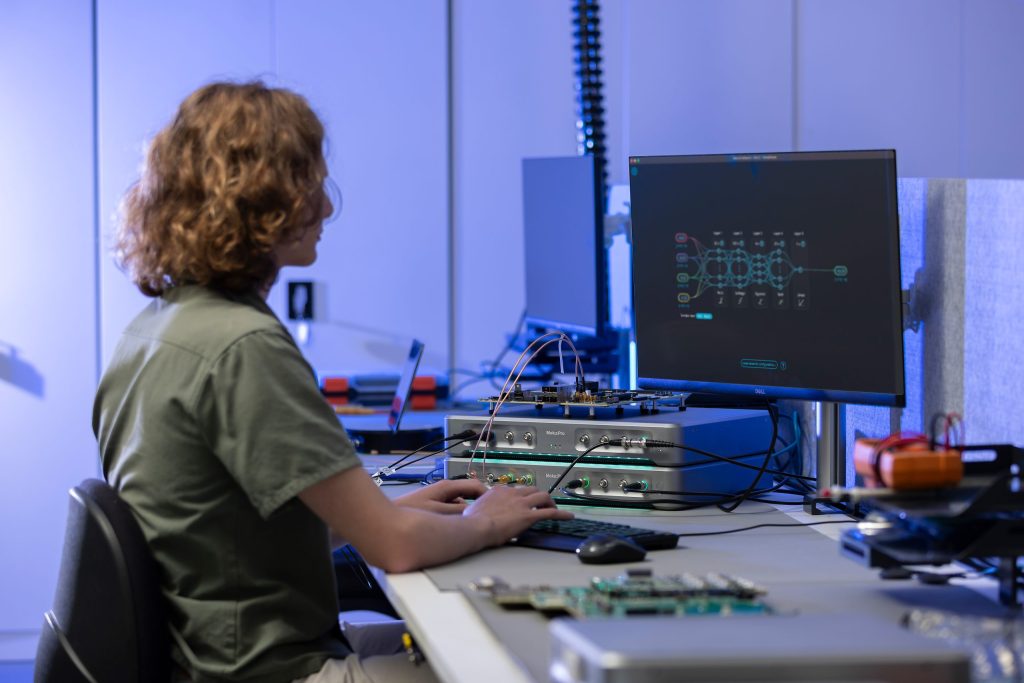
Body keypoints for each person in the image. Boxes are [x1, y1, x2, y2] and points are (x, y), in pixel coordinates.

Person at [93, 80, 573, 683]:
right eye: (310, 185)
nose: (325, 207)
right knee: (529, 663)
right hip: (275, 672)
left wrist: (385, 511)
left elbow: (223, 532)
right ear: (260, 200)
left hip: (214, 659)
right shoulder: (244, 347)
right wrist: (485, 523)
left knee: (490, 639)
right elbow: (395, 548)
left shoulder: (153, 330)